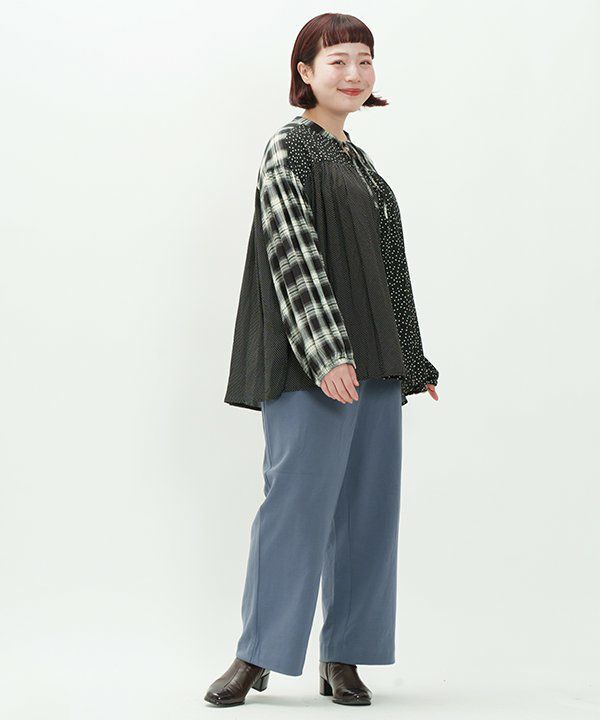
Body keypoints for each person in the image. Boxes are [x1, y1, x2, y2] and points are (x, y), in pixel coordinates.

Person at [205, 12, 440, 707]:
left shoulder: (361, 164)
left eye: (364, 59)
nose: (354, 73)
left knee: (368, 511)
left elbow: (389, 271)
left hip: (377, 363)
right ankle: (257, 654)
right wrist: (327, 353)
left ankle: (345, 657)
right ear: (305, 73)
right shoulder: (289, 148)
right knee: (295, 506)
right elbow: (293, 254)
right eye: (338, 61)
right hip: (312, 363)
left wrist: (413, 360)